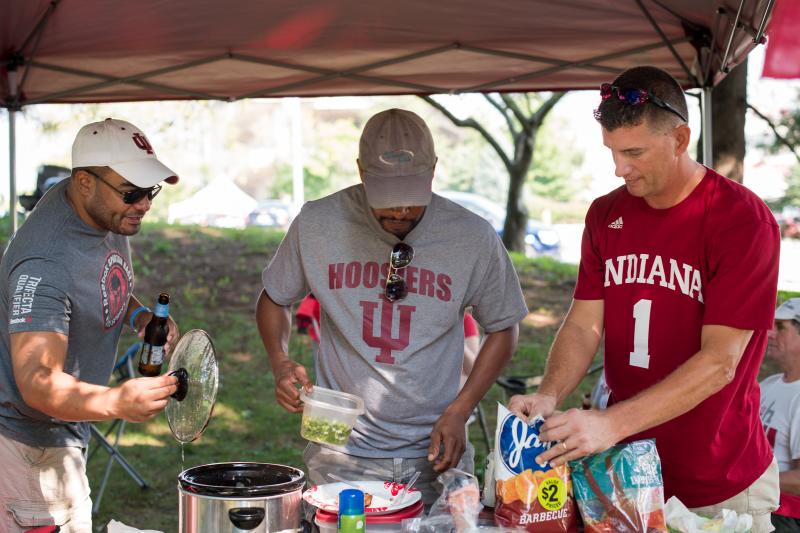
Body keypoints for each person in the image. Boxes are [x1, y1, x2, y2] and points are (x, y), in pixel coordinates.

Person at [508, 66, 781, 531]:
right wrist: (550, 394)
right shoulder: (605, 213)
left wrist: (610, 424)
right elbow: (583, 324)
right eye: (612, 152)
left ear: (680, 139)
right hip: (626, 473)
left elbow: (721, 362)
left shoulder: (740, 219)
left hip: (718, 482)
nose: (619, 168)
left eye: (634, 152)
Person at [256, 108, 527, 505]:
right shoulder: (318, 223)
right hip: (341, 452)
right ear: (361, 172)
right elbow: (275, 298)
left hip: (439, 451)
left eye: (411, 201)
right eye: (387, 202)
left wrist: (461, 409)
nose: (400, 213)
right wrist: (279, 360)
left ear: (434, 171)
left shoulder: (471, 236)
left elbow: (504, 326)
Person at [0, 118, 181, 533]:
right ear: (84, 182)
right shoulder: (44, 263)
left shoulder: (97, 212)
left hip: (63, 433)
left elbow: (99, 280)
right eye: (131, 192)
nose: (144, 204)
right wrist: (116, 403)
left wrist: (138, 316)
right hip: (30, 449)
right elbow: (38, 380)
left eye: (149, 191)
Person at [294, 293, 480, 388]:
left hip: (448, 393)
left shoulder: (465, 321)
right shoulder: (405, 317)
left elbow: (473, 370)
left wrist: (447, 333)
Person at [760, 298, 800, 531]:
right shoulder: (768, 384)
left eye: (781, 327)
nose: (770, 333)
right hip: (756, 504)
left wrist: (749, 480)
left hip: (785, 515)